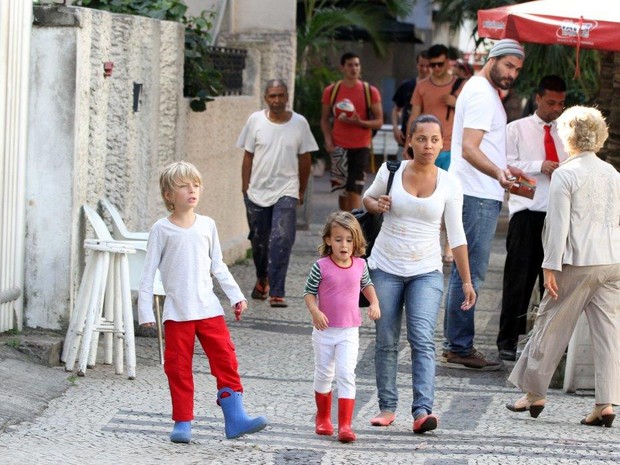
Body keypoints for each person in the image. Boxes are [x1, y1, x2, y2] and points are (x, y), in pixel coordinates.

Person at [506, 106, 620, 427]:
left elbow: (556, 227)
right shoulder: (613, 174)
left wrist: (549, 266)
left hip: (577, 262)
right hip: (612, 262)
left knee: (549, 323)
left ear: (566, 136)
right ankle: (606, 403)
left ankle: (534, 393)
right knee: (609, 334)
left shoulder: (565, 174)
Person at [138, 161, 268, 443]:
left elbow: (218, 266)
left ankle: (235, 418)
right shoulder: (161, 230)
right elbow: (148, 273)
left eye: (195, 184)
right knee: (177, 366)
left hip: (209, 310)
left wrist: (237, 296)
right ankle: (182, 422)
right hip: (177, 313)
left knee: (226, 359)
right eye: (184, 186)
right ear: (169, 195)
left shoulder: (208, 225)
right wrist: (145, 310)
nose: (192, 190)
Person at [363, 114, 476, 434]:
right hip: (385, 267)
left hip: (426, 271)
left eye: (435, 140)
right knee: (385, 339)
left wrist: (467, 281)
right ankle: (386, 407)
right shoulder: (391, 171)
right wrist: (377, 204)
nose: (428, 145)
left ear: (442, 144)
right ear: (410, 141)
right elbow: (366, 199)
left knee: (422, 339)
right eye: (422, 139)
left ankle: (422, 410)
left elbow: (456, 236)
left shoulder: (450, 182)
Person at [442, 39, 527, 371]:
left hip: (480, 191)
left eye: (517, 69)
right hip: (474, 194)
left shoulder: (484, 92)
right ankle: (459, 346)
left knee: (468, 272)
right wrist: (497, 173)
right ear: (491, 59)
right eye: (508, 65)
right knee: (469, 274)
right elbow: (469, 148)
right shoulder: (480, 92)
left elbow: (485, 146)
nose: (512, 74)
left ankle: (457, 344)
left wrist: (506, 167)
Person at [496, 75, 568, 361]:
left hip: (558, 215)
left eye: (560, 103)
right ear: (538, 99)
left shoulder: (567, 131)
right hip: (526, 212)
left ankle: (548, 345)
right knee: (518, 280)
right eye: (551, 102)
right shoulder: (516, 129)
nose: (555, 109)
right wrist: (540, 165)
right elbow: (505, 165)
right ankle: (507, 341)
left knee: (552, 283)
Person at [239, 79, 318, 308]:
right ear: (266, 98)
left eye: (280, 95)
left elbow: (305, 159)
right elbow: (248, 156)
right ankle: (262, 278)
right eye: (272, 96)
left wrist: (301, 189)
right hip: (257, 191)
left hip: (287, 189)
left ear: (287, 97)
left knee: (282, 238)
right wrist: (245, 187)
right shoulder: (255, 120)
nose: (277, 100)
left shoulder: (299, 123)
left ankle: (277, 290)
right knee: (259, 241)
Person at [303, 211, 381, 443]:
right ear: (328, 240)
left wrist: (375, 303)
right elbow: (309, 293)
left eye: (349, 240)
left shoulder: (360, 265)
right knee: (324, 373)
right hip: (324, 331)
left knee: (346, 374)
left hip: (349, 331)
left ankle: (345, 425)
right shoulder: (321, 266)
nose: (344, 245)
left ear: (356, 241)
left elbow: (367, 285)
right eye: (338, 239)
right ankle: (323, 417)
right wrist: (315, 312)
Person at [408, 44, 466, 263]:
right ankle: (424, 241)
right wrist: (409, 143)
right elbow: (414, 116)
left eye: (440, 64)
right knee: (424, 195)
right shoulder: (422, 86)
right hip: (424, 149)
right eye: (432, 65)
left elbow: (472, 114)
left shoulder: (461, 86)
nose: (436, 68)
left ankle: (449, 246)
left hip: (451, 148)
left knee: (450, 198)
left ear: (448, 62)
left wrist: (457, 102)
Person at [320, 52, 383, 211]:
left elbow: (379, 121)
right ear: (343, 67)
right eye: (350, 65)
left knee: (355, 190)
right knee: (343, 192)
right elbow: (324, 119)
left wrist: (359, 122)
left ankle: (354, 227)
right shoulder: (332, 91)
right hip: (338, 146)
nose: (354, 68)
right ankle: (345, 224)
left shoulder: (369, 91)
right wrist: (328, 141)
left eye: (357, 65)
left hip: (361, 146)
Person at [391, 50, 430, 158]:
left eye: (428, 66)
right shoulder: (407, 86)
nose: (424, 69)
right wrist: (395, 128)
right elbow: (396, 109)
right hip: (406, 139)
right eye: (422, 65)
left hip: (429, 142)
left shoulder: (437, 89)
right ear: (417, 65)